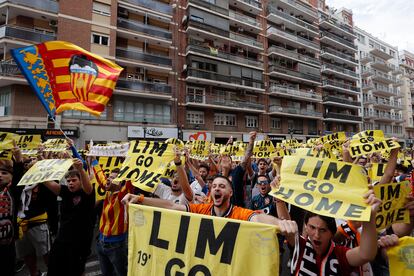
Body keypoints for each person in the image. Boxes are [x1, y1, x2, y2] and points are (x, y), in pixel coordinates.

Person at [122, 175, 298, 236]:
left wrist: (279, 223)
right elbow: (171, 206)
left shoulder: (239, 212)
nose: (216, 189)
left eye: (222, 186)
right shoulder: (202, 210)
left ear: (230, 193)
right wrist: (140, 199)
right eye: (214, 186)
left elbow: (258, 217)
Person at [289, 189, 382, 275]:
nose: (317, 235)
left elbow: (366, 255)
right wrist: (278, 200)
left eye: (323, 230)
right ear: (305, 227)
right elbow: (280, 221)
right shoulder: (300, 245)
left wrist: (369, 217)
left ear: (332, 233)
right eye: (312, 227)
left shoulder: (340, 255)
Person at [43, 159, 95, 276]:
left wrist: (81, 169)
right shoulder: (65, 191)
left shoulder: (87, 193)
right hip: (62, 239)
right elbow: (47, 182)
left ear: (81, 181)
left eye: (74, 180)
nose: (70, 183)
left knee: (76, 271)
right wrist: (38, 168)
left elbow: (88, 187)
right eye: (68, 181)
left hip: (80, 242)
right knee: (54, 268)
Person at [96, 168, 133, 276]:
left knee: (122, 273)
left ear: (120, 182)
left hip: (116, 246)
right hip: (100, 242)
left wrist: (128, 163)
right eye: (109, 176)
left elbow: (130, 182)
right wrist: (93, 161)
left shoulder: (123, 196)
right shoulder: (109, 192)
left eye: (112, 178)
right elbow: (100, 177)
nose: (108, 179)